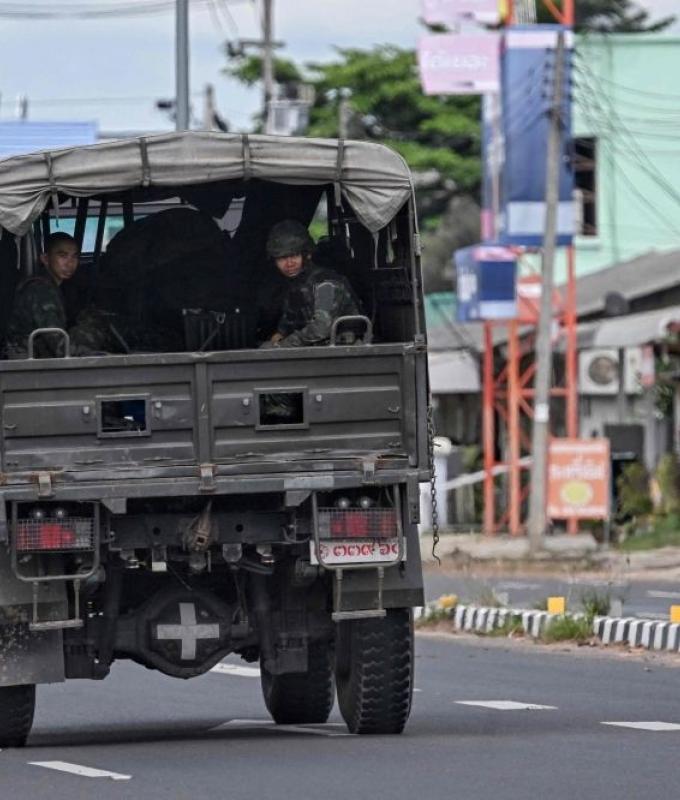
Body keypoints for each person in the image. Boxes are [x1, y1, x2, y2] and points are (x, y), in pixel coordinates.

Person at [262, 220, 360, 348]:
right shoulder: (294, 284)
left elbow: (321, 328)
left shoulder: (326, 284)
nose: (289, 263)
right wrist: (277, 338)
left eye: (294, 255)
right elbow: (287, 325)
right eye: (282, 258)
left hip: (346, 353)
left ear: (307, 255)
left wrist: (282, 345)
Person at [5, 232, 80, 359]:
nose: (70, 263)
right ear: (45, 259)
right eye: (63, 256)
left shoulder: (50, 286)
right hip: (27, 361)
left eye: (74, 256)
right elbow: (57, 343)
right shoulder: (40, 290)